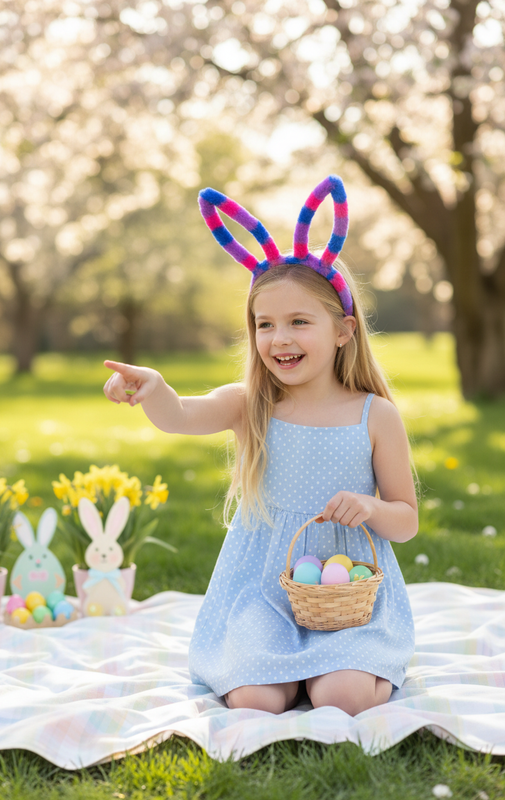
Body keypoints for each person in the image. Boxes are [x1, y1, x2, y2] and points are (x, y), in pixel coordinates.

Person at [103, 175, 418, 717]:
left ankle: (350, 671)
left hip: (347, 592)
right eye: (264, 324)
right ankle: (287, 674)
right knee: (255, 700)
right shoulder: (251, 404)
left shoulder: (374, 415)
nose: (280, 339)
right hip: (262, 589)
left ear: (343, 330)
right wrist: (154, 388)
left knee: (341, 699)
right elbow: (180, 416)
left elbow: (406, 519)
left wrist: (369, 508)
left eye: (299, 321)